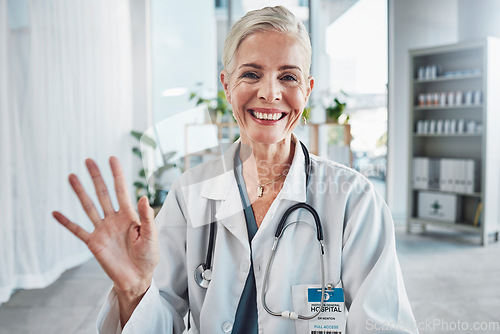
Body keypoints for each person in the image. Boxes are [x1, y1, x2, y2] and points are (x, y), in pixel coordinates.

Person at [53, 6, 418, 334]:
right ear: (227, 86)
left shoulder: (354, 200)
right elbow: (160, 318)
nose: (270, 93)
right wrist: (134, 290)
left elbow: (383, 325)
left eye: (288, 77)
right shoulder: (190, 194)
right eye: (251, 74)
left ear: (306, 91)